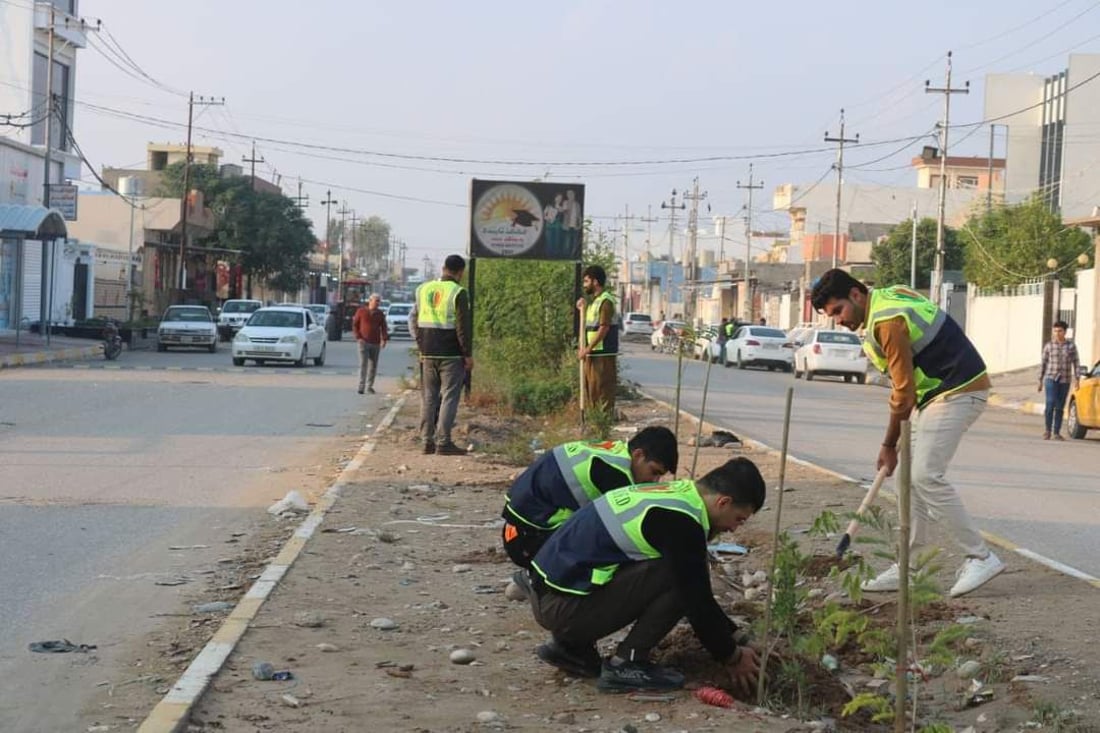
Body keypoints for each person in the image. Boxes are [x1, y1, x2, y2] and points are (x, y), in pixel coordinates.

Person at [811, 269, 1003, 598]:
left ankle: (980, 557)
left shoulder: (887, 321)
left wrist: (889, 444)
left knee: (925, 475)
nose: (839, 321)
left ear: (856, 295)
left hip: (958, 390)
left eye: (838, 311)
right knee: (906, 482)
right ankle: (909, 569)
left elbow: (903, 394)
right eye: (832, 316)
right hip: (935, 396)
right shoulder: (886, 300)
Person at [515, 458, 765, 693]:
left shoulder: (674, 496)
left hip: (551, 594)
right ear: (723, 502)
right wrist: (732, 657)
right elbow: (696, 600)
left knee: (682, 570)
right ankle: (627, 664)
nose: (734, 528)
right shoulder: (682, 522)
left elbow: (699, 593)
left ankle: (571, 648)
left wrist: (739, 637)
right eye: (738, 519)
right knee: (674, 574)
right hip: (560, 607)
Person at [501, 426, 679, 570]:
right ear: (638, 455)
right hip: (526, 540)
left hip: (520, 530)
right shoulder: (616, 474)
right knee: (612, 550)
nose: (654, 481)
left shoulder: (614, 453)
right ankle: (540, 582)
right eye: (654, 472)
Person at [409, 254, 472, 456]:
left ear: (443, 268)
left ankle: (426, 441)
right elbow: (463, 327)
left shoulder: (423, 289)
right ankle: (443, 442)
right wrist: (467, 354)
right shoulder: (458, 292)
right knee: (449, 397)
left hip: (427, 352)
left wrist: (421, 346)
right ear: (460, 272)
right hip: (451, 354)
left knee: (428, 397)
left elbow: (414, 320)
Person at [576, 265, 618, 417]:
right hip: (592, 354)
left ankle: (603, 424)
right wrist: (582, 309)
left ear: (595, 281)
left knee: (602, 391)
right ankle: (594, 422)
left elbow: (604, 328)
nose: (584, 285)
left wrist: (587, 349)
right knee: (591, 390)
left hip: (603, 354)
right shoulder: (594, 302)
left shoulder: (606, 301)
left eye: (586, 281)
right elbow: (589, 328)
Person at [1038, 320, 1079, 440]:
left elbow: (1076, 363)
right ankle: (1047, 430)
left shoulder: (1071, 346)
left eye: (1060, 331)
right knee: (1050, 403)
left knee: (1060, 406)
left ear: (1065, 332)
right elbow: (1043, 363)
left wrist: (1077, 379)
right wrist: (1040, 380)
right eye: (1055, 331)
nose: (1057, 333)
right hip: (1051, 378)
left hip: (1065, 380)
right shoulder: (1049, 346)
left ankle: (1056, 432)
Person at [352, 294, 388, 395]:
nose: (378, 303)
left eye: (379, 301)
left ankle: (369, 386)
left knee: (373, 366)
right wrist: (358, 337)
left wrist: (384, 339)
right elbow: (355, 325)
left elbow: (384, 327)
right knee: (363, 364)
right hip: (363, 342)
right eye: (376, 301)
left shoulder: (380, 314)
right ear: (370, 301)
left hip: (375, 342)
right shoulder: (361, 311)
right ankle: (361, 386)